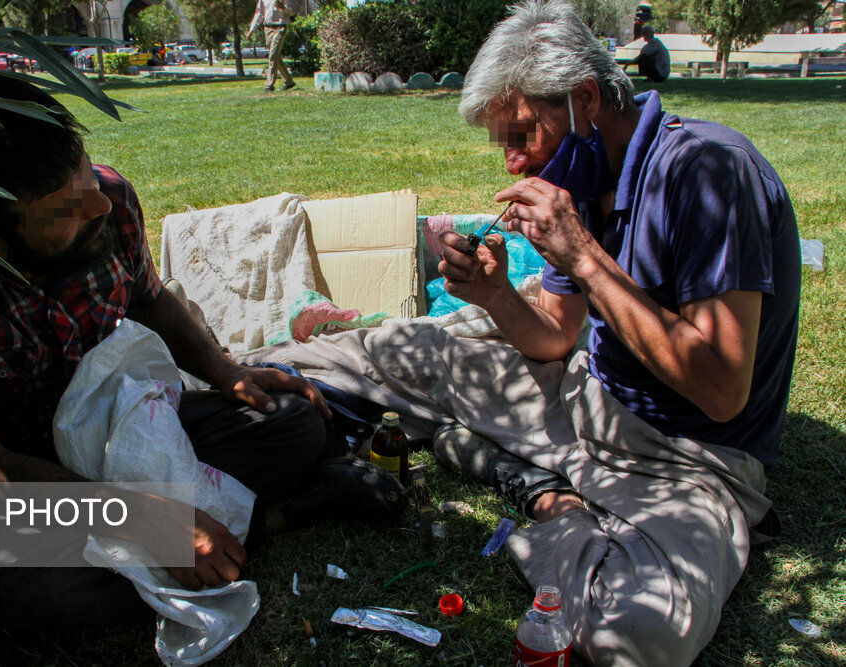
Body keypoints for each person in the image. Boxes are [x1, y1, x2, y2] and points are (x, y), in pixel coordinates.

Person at [238, 0, 798, 664]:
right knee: (398, 348)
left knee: (636, 633)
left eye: (522, 134)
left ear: (584, 99)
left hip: (684, 459)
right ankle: (224, 381)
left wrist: (583, 255)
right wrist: (496, 294)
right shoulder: (585, 171)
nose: (511, 163)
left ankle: (550, 499)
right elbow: (555, 335)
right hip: (582, 401)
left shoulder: (708, 172)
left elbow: (723, 390)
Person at [0, 71, 401, 654]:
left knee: (291, 419)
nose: (97, 202)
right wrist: (143, 519)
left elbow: (148, 298)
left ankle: (199, 538)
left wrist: (227, 372)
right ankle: (274, 518)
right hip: (28, 482)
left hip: (127, 432)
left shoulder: (109, 197)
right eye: (67, 207)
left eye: (85, 172)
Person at [248, 0, 296, 91]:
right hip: (268, 28)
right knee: (275, 56)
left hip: (280, 28)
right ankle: (289, 81)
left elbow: (292, 12)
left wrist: (283, 8)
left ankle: (269, 85)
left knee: (273, 55)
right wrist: (251, 30)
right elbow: (259, 14)